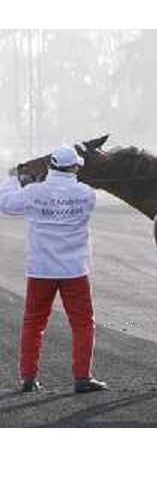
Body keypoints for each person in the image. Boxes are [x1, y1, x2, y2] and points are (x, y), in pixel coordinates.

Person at [0, 145, 108, 393]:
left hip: (41, 269)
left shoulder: (34, 192)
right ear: (73, 167)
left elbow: (4, 203)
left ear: (50, 166)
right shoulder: (85, 193)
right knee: (82, 323)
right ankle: (82, 376)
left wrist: (12, 178)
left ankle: (28, 377)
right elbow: (77, 195)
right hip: (74, 269)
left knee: (33, 323)